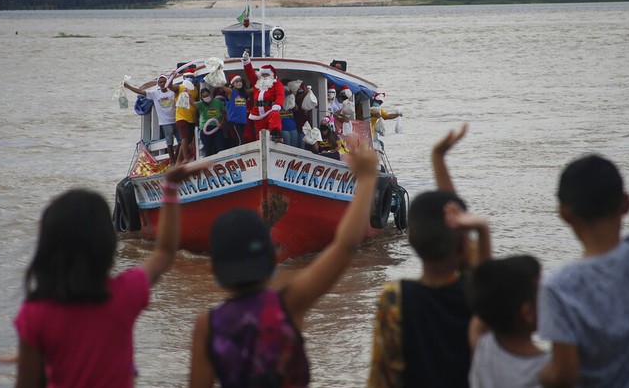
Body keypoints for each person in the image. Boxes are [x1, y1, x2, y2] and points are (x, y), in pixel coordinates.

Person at [538, 60, 629, 388]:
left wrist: (536, 370)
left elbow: (563, 376)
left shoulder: (559, 288)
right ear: (626, 204)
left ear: (564, 213)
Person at [188, 145, 380, 387]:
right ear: (272, 258)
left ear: (213, 269)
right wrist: (366, 178)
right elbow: (344, 246)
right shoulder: (288, 304)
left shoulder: (208, 326)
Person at [9, 162, 204, 388]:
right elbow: (165, 252)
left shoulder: (34, 314)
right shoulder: (123, 294)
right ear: (106, 245)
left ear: (47, 248)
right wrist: (170, 189)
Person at [368, 123, 491, 388]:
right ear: (463, 244)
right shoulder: (476, 295)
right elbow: (483, 272)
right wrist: (438, 158)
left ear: (410, 240)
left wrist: (436, 157)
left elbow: (382, 377)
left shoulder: (396, 299)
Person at [466, 255, 550, 388]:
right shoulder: (553, 373)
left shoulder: (484, 348)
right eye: (544, 294)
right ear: (527, 313)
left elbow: (483, 303)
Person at [123, 75, 176, 161]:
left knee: (181, 140)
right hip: (165, 122)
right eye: (160, 82)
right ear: (158, 84)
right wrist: (128, 87)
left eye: (164, 81)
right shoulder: (155, 94)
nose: (163, 83)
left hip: (176, 120)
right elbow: (140, 92)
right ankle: (173, 162)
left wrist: (173, 77)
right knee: (169, 143)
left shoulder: (173, 92)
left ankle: (177, 158)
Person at [242, 52, 285, 142]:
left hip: (269, 110)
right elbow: (250, 73)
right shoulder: (257, 82)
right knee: (260, 132)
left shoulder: (276, 84)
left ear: (271, 75)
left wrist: (277, 105)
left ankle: (276, 134)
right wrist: (246, 61)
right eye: (263, 75)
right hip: (257, 112)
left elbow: (280, 95)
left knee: (275, 115)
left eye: (267, 75)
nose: (265, 77)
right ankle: (260, 145)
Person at [170, 69, 199, 164]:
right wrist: (172, 77)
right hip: (181, 117)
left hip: (191, 118)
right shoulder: (180, 87)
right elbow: (170, 86)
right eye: (187, 77)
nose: (190, 78)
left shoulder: (195, 89)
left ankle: (179, 161)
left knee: (188, 139)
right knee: (185, 138)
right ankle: (185, 158)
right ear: (184, 78)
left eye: (192, 76)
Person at [222, 74, 251, 149]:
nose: (239, 83)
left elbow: (253, 89)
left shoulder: (243, 93)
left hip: (242, 121)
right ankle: (240, 156)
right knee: (240, 140)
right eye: (236, 81)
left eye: (240, 81)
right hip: (234, 121)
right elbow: (223, 87)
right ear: (233, 83)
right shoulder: (231, 92)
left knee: (237, 140)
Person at [196, 88, 226, 157]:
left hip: (216, 128)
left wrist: (222, 122)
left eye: (207, 95)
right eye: (204, 96)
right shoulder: (201, 104)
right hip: (205, 129)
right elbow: (193, 104)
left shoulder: (217, 102)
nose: (206, 97)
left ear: (210, 94)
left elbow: (224, 112)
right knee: (208, 151)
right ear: (201, 98)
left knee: (220, 148)